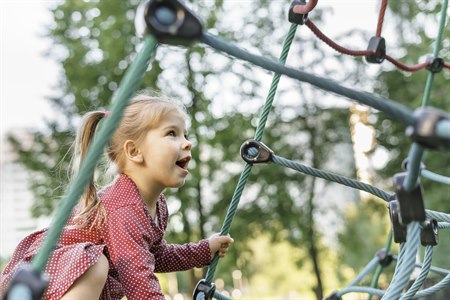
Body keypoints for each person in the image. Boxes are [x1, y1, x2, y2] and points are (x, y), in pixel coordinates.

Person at [1, 94, 234, 299]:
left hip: (69, 282)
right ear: (134, 152)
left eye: (185, 134)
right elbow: (138, 281)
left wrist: (203, 250)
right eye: (172, 133)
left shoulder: (156, 206)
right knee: (95, 263)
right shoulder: (124, 207)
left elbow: (155, 256)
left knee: (98, 265)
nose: (187, 142)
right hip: (44, 276)